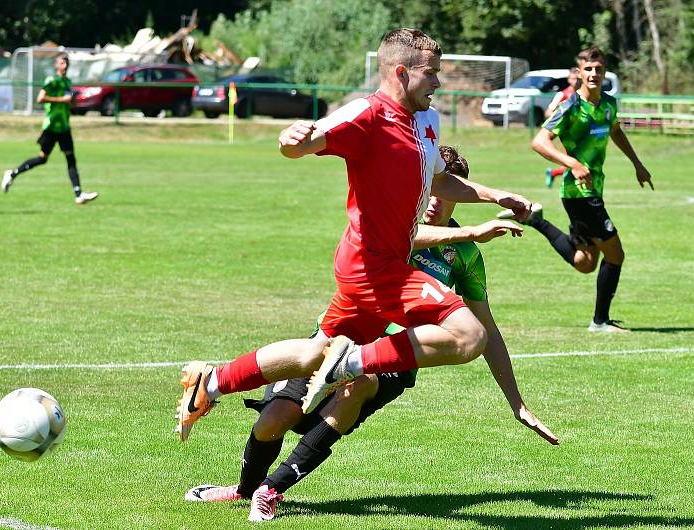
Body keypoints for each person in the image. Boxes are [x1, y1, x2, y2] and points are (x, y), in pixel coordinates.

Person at [176, 28, 535, 443]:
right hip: (371, 265)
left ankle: (212, 382)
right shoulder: (367, 114)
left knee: (313, 354)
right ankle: (351, 362)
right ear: (401, 71)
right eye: (431, 73)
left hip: (379, 262)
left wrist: (496, 195)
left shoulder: (428, 121)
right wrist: (288, 140)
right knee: (469, 335)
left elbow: (440, 182)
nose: (438, 83)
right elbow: (303, 143)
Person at [184, 147, 558, 522]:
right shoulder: (395, 221)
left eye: (443, 197)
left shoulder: (465, 255)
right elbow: (405, 237)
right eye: (429, 193)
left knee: (357, 388)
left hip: (398, 355)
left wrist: (517, 403)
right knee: (276, 418)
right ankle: (243, 487)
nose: (432, 204)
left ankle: (271, 490)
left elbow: (486, 329)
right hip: (344, 331)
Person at [499, 46, 653, 333]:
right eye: (589, 69)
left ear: (604, 72)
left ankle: (536, 219)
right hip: (580, 193)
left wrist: (637, 164)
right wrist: (572, 163)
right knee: (616, 254)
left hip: (592, 190)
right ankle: (600, 322)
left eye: (599, 69)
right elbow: (540, 142)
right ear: (579, 72)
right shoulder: (570, 106)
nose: (594, 74)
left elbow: (616, 130)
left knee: (585, 262)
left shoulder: (608, 103)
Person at [1, 55, 98, 205]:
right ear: (56, 65)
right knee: (42, 158)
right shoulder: (51, 81)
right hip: (51, 126)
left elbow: (68, 105)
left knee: (71, 159)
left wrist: (72, 101)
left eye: (67, 62)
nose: (65, 65)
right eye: (62, 62)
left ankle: (78, 194)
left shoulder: (67, 82)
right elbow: (40, 98)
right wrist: (62, 100)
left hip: (64, 126)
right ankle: (12, 174)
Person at [543, 67, 581, 188]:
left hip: (581, 133)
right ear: (569, 79)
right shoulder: (562, 94)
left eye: (578, 79)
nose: (576, 81)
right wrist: (561, 113)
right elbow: (548, 113)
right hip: (567, 135)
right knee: (573, 162)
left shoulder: (583, 95)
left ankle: (554, 173)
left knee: (578, 162)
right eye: (574, 78)